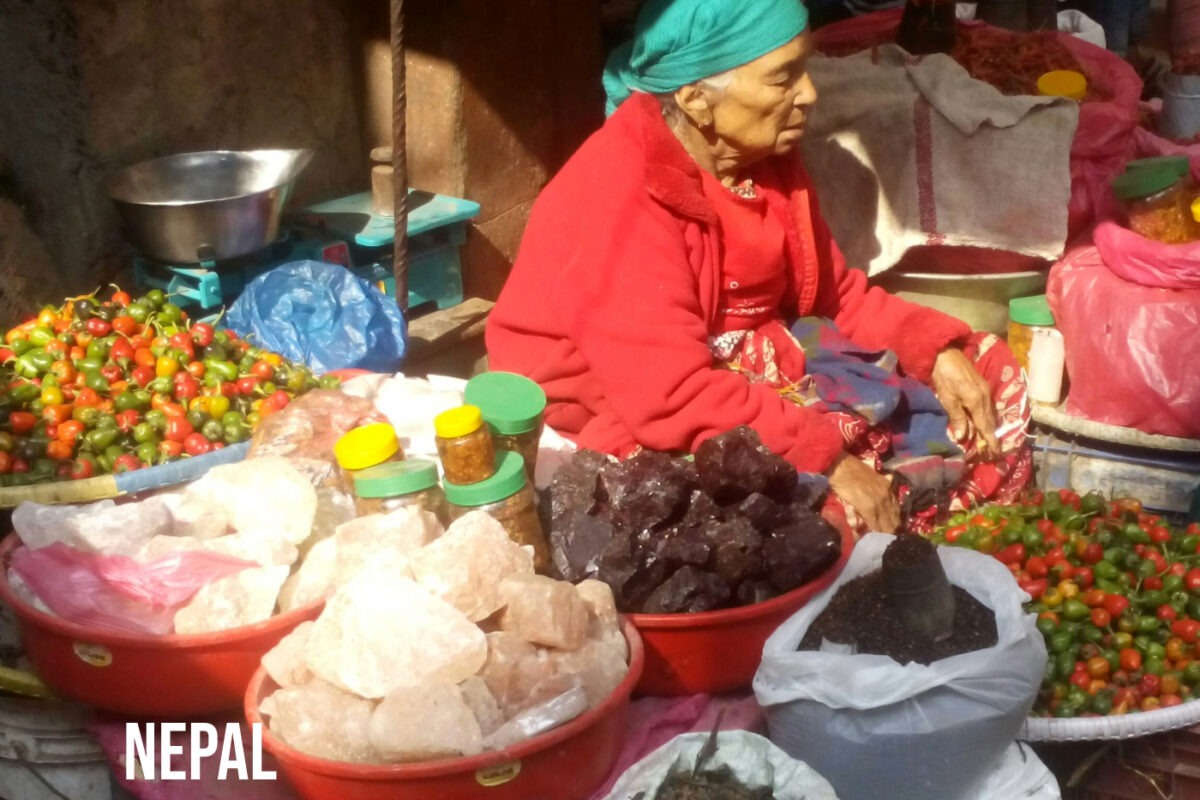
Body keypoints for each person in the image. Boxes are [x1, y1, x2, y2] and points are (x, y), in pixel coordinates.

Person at [487, 0, 1032, 534]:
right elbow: (671, 396)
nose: (809, 93)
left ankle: (952, 531)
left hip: (745, 373)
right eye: (783, 78)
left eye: (805, 67)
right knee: (810, 521)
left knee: (985, 367)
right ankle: (904, 539)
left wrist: (932, 347)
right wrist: (828, 458)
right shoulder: (620, 196)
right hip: (624, 409)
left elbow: (834, 295)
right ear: (698, 100)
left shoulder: (763, 164)